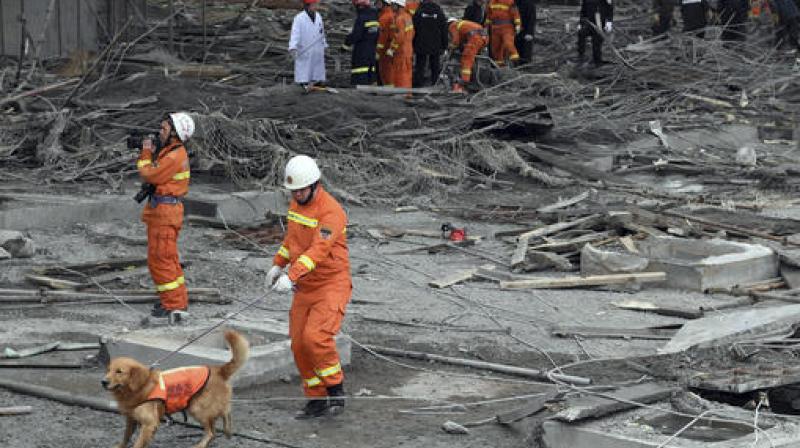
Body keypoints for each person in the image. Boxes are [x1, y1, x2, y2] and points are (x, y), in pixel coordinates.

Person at [266, 155, 352, 419]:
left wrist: (291, 275)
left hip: (330, 284)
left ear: (315, 185)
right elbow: (293, 239)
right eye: (294, 191)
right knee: (299, 344)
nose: (298, 194)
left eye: (302, 190)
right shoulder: (296, 205)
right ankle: (315, 398)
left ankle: (336, 390)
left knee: (317, 338)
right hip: (305, 285)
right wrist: (278, 264)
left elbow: (318, 250)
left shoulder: (331, 212)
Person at [136, 113, 194, 321]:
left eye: (164, 129)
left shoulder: (173, 156)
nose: (160, 133)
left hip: (165, 214)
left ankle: (174, 305)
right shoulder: (172, 152)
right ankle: (174, 301)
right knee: (166, 259)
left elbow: (149, 174)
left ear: (175, 134)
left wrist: (145, 154)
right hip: (163, 212)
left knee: (162, 260)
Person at [289, 0, 328, 87]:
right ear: (309, 5)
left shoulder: (318, 16)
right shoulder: (299, 18)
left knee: (317, 66)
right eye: (316, 4)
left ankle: (317, 81)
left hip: (317, 47)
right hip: (304, 47)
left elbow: (321, 31)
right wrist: (293, 47)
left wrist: (324, 44)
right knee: (304, 67)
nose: (317, 6)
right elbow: (295, 33)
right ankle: (303, 82)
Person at [447, 18, 489, 93]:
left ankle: (463, 84)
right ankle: (474, 81)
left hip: (475, 39)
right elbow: (462, 39)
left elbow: (455, 41)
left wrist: (451, 47)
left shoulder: (453, 25)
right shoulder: (464, 24)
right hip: (484, 38)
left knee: (466, 60)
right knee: (473, 61)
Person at [412, 0, 448, 87]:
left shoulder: (418, 12)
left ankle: (417, 86)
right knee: (435, 66)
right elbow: (444, 30)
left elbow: (414, 29)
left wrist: (413, 43)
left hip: (421, 43)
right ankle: (435, 84)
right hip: (435, 43)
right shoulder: (439, 12)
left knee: (420, 66)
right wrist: (444, 45)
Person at [344, 0, 379, 85]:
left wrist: (345, 45)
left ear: (359, 6)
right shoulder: (375, 16)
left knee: (359, 72)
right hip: (372, 49)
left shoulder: (361, 17)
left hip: (361, 51)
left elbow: (356, 35)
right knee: (371, 72)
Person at [386, 0, 415, 90]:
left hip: (401, 51)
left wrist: (392, 49)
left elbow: (399, 37)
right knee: (407, 73)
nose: (391, 7)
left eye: (393, 5)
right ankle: (407, 93)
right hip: (408, 49)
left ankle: (401, 93)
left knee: (400, 74)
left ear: (398, 5)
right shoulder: (408, 17)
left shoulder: (399, 19)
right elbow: (412, 33)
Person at [485, 0, 521, 66]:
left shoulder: (510, 2)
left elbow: (515, 13)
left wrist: (518, 24)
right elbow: (488, 15)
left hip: (507, 28)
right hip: (495, 29)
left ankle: (516, 61)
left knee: (508, 43)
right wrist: (486, 26)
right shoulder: (491, 2)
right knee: (496, 48)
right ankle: (500, 66)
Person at [577, 0, 613, 66]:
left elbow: (610, 9)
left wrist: (609, 22)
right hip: (589, 23)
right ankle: (581, 57)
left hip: (600, 23)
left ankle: (597, 61)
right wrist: (580, 23)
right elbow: (583, 11)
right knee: (581, 34)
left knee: (596, 42)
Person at [376, 0, 396, 86]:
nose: (376, 5)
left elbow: (382, 37)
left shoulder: (384, 17)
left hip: (385, 49)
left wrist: (378, 51)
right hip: (390, 47)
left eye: (378, 3)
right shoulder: (392, 15)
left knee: (386, 69)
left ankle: (388, 87)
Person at [515, 0, 536, 64]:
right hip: (515, 30)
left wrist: (529, 32)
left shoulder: (529, 3)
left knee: (525, 50)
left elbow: (531, 19)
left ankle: (525, 64)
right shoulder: (512, 3)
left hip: (526, 30)